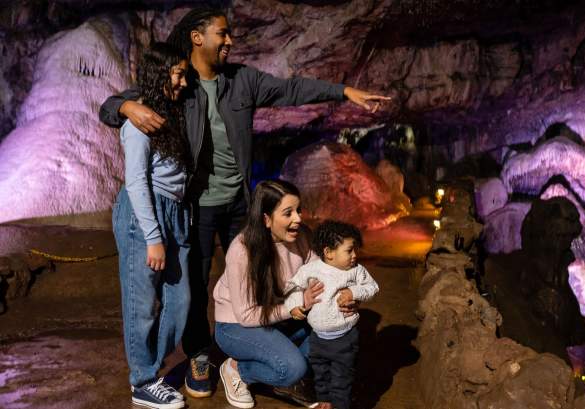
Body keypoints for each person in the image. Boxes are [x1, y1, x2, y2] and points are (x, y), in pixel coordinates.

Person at [99, 7, 390, 398]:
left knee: (258, 272)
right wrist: (123, 106)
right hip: (195, 205)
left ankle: (266, 344)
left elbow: (291, 89)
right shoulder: (179, 83)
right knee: (195, 286)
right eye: (223, 33)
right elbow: (120, 101)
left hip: (240, 202)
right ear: (198, 37)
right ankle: (201, 354)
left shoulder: (242, 81)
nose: (231, 41)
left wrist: (342, 91)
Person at [214, 180, 344, 408]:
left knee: (331, 336)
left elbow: (318, 273)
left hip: (277, 319)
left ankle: (288, 374)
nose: (298, 219)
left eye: (298, 210)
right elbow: (246, 315)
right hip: (237, 326)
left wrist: (340, 294)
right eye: (288, 213)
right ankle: (237, 369)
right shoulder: (242, 251)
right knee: (292, 368)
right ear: (266, 219)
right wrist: (296, 306)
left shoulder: (301, 235)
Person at [112, 42, 191, 409]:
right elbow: (137, 182)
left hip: (175, 211)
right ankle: (142, 381)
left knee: (180, 300)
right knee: (141, 304)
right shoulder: (138, 122)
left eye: (184, 74)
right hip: (144, 214)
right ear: (158, 74)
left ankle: (150, 370)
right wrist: (153, 237)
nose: (183, 81)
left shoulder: (172, 113)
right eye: (177, 73)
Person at [284, 220, 379, 409]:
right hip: (317, 339)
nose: (354, 255)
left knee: (341, 380)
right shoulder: (311, 270)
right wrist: (294, 305)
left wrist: (354, 293)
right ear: (328, 253)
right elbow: (293, 286)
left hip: (345, 339)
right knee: (320, 375)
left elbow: (373, 287)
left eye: (355, 250)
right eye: (349, 250)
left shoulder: (356, 271)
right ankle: (324, 402)